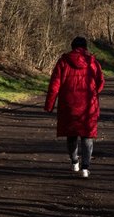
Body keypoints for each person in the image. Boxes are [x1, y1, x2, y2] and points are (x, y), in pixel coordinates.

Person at [44, 36, 105, 178]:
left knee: (71, 136)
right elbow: (100, 82)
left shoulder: (63, 62)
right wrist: (94, 92)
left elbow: (54, 85)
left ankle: (74, 162)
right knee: (87, 136)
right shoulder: (93, 62)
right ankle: (85, 168)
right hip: (88, 106)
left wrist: (49, 105)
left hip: (68, 105)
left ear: (72, 47)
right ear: (85, 47)